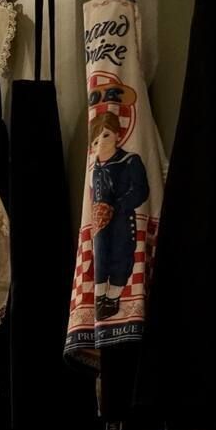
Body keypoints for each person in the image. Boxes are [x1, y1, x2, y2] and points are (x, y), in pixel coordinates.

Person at [88, 112, 149, 321]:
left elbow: (141, 190)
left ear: (117, 135)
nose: (102, 143)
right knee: (100, 259)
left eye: (106, 135)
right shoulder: (95, 168)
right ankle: (100, 299)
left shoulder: (130, 161)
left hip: (121, 221)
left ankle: (113, 299)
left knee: (121, 259)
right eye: (96, 140)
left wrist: (119, 206)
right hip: (100, 224)